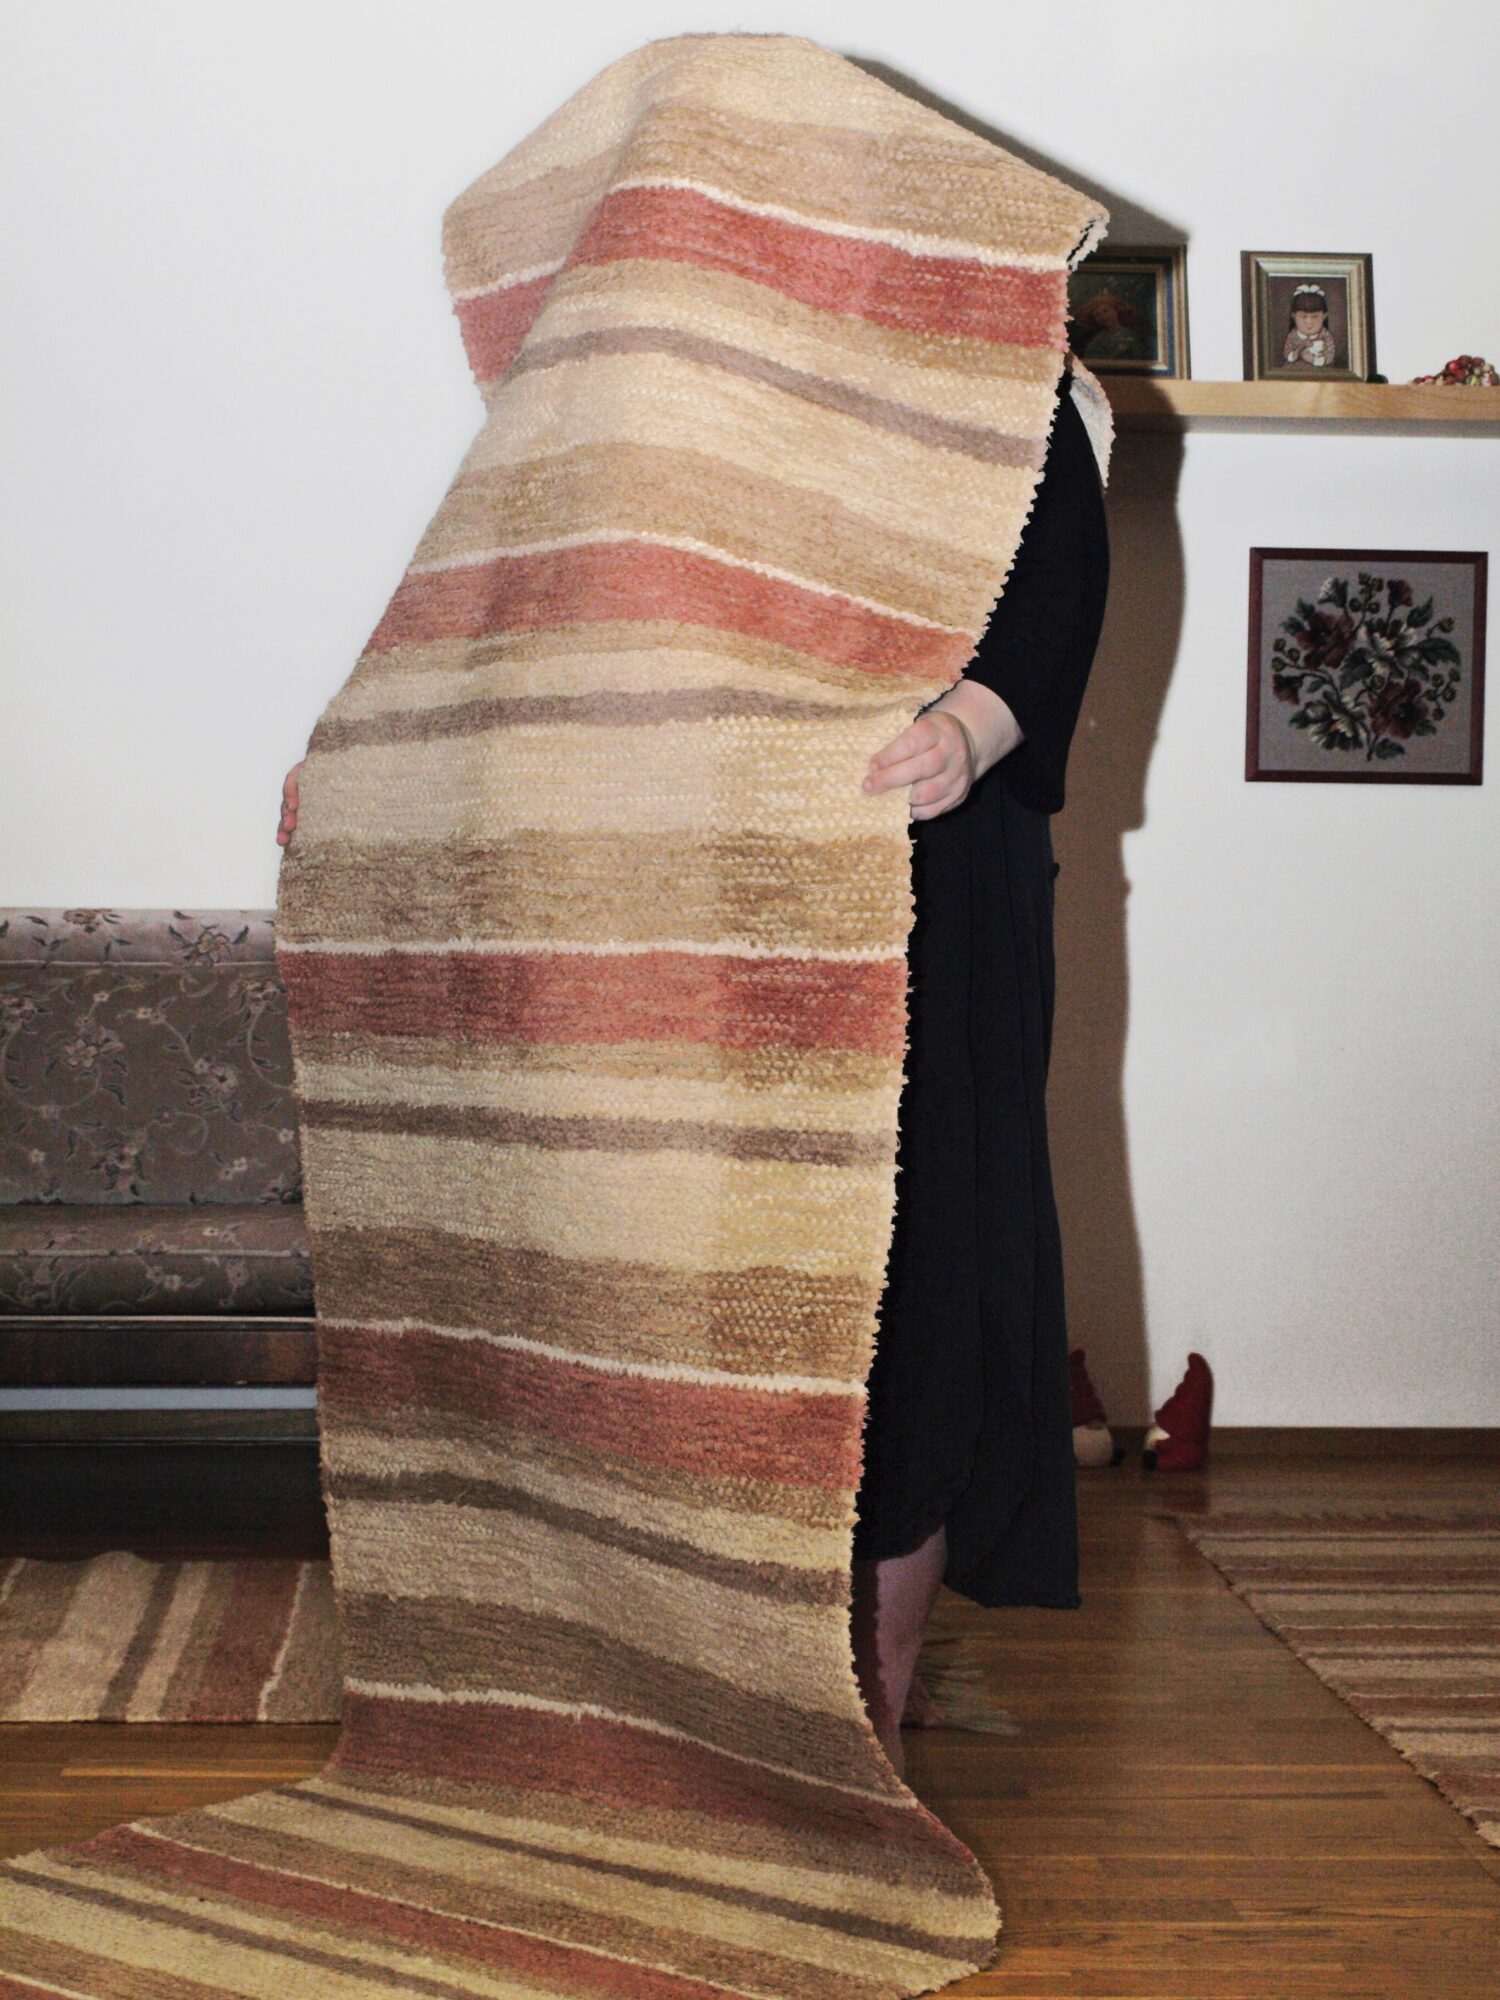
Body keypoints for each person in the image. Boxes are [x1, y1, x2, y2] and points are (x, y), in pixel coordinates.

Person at [278, 355, 1110, 1780]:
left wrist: (969, 730)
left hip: (934, 891)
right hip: (706, 890)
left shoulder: (999, 363)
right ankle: (685, 1710)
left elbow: (1055, 586)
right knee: (697, 1298)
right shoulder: (674, 356)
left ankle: (874, 1728)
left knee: (916, 1296)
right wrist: (369, 755)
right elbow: (522, 585)